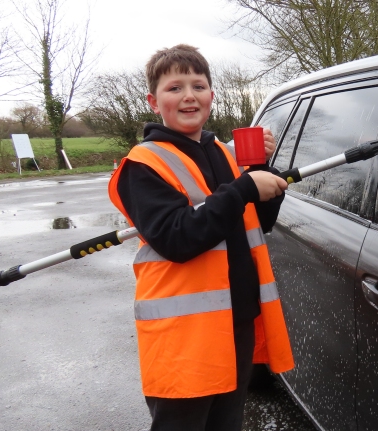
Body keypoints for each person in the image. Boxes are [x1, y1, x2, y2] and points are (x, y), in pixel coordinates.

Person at [107, 44, 294, 431]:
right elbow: (177, 239)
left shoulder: (222, 154)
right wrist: (243, 188)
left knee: (227, 424)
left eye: (199, 85)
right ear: (153, 101)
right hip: (184, 335)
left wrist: (261, 171)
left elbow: (255, 222)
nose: (189, 96)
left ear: (212, 95)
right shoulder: (142, 164)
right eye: (174, 88)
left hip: (236, 322)